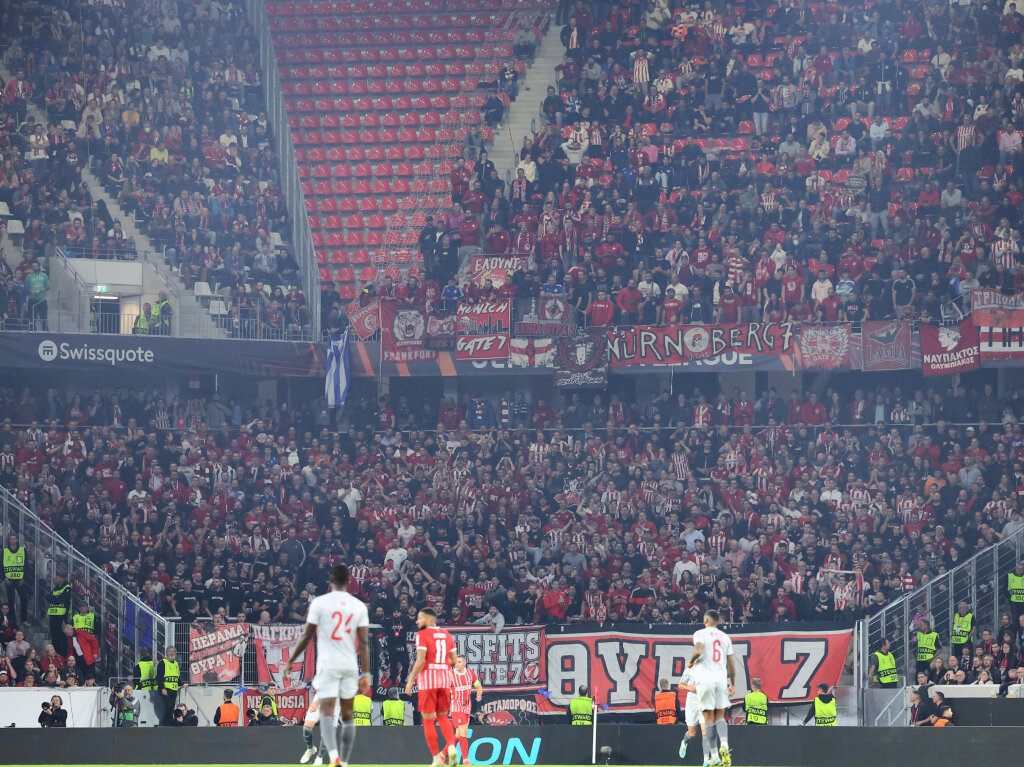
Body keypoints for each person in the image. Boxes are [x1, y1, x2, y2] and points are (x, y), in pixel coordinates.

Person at [286, 563, 371, 767]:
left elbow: (307, 636)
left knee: (331, 722)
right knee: (308, 727)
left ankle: (324, 758)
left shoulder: (327, 605)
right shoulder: (350, 607)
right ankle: (312, 750)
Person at [405, 607, 459, 767]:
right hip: (444, 680)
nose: (417, 621)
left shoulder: (422, 634)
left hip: (428, 682)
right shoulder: (447, 634)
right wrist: (441, 665)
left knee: (428, 721)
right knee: (443, 717)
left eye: (420, 618)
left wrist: (410, 681)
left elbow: (421, 661)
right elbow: (454, 661)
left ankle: (436, 759)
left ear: (430, 619)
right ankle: (451, 747)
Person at [688, 609, 735, 767]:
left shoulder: (700, 633)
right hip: (721, 680)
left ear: (706, 620)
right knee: (720, 716)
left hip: (704, 680)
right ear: (719, 621)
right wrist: (733, 683)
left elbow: (699, 649)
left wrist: (691, 661)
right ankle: (725, 745)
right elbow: (731, 664)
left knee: (708, 720)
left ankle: (714, 756)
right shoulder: (725, 637)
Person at [450, 654, 482, 764]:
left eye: (459, 662)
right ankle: (465, 760)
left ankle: (442, 754)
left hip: (467, 707)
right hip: (456, 706)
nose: (456, 664)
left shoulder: (470, 673)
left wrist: (479, 694)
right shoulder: (450, 675)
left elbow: (478, 686)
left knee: (458, 735)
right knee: (464, 731)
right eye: (455, 662)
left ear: (464, 663)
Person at [677, 667, 704, 761]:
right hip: (692, 703)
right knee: (692, 734)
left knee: (706, 731)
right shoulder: (689, 669)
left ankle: (708, 759)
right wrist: (688, 687)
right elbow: (680, 685)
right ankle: (684, 742)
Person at [3, 533, 27, 625]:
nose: (13, 540)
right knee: (10, 600)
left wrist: (24, 577)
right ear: (9, 540)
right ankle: (12, 620)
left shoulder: (22, 550)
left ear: (17, 540)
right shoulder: (5, 551)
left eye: (14, 539)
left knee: (24, 599)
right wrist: (4, 578)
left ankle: (24, 619)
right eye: (11, 539)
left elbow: (26, 565)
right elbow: (1, 566)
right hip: (9, 579)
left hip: (20, 579)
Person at [156, 645, 182, 725]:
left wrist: (182, 684)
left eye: (174, 651)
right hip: (166, 689)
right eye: (170, 651)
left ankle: (169, 723)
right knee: (168, 707)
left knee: (171, 708)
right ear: (166, 652)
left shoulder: (176, 664)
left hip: (174, 689)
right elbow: (159, 677)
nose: (172, 653)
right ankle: (166, 724)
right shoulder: (162, 662)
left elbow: (177, 676)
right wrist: (162, 688)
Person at [47, 574, 72, 656]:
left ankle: (63, 656)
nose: (55, 579)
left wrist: (54, 598)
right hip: (53, 618)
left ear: (61, 578)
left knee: (62, 638)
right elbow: (48, 597)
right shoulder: (55, 589)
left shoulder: (67, 588)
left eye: (56, 577)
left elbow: (62, 599)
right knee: (54, 637)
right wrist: (56, 598)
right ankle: (55, 655)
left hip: (61, 618)